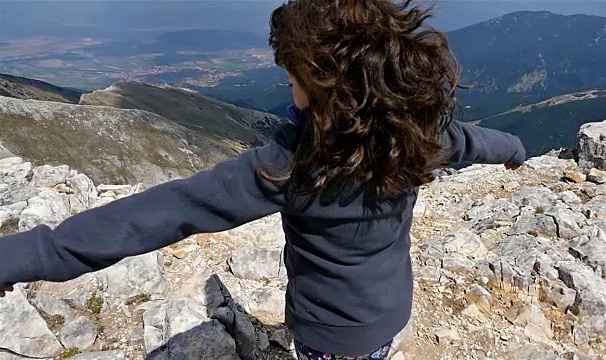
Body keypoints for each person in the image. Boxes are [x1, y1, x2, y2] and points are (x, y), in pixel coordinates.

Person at [0, 0, 525, 359]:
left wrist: (18, 257)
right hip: (391, 311)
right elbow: (478, 140)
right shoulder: (416, 133)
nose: (292, 92)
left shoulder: (291, 166)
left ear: (323, 89)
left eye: (295, 81)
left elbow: (157, 215)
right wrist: (516, 152)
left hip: (329, 336)